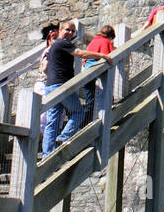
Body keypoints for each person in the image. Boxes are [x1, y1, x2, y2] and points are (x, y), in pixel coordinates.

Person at [41, 20, 113, 156]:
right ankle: (63, 138)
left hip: (50, 86)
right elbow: (81, 53)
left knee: (53, 121)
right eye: (67, 30)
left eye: (73, 31)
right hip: (62, 86)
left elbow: (46, 67)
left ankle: (47, 154)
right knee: (78, 112)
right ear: (60, 30)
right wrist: (102, 55)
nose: (70, 33)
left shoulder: (54, 45)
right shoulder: (63, 43)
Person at [82, 25, 117, 123]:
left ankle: (85, 123)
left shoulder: (93, 40)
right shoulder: (106, 41)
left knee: (90, 100)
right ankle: (109, 102)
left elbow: (86, 57)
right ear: (110, 36)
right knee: (106, 90)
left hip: (86, 71)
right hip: (96, 69)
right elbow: (109, 55)